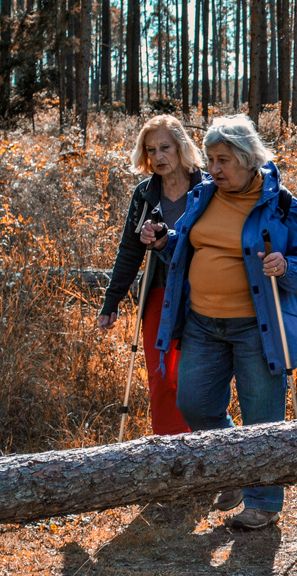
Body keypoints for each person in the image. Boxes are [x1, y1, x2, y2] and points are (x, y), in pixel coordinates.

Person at [142, 115, 297, 530]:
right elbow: (188, 254)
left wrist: (286, 265)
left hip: (255, 328)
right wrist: (166, 241)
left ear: (247, 159)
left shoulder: (281, 206)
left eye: (223, 160)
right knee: (195, 402)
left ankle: (263, 503)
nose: (214, 169)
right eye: (210, 159)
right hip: (202, 324)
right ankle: (235, 471)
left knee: (262, 418)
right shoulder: (202, 196)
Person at [97, 114, 207, 436]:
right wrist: (111, 301)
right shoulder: (144, 195)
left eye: (165, 148)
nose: (158, 157)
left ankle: (203, 443)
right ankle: (168, 449)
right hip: (158, 292)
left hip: (203, 293)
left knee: (192, 375)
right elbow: (129, 252)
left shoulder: (206, 188)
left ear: (181, 147)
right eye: (151, 150)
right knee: (161, 375)